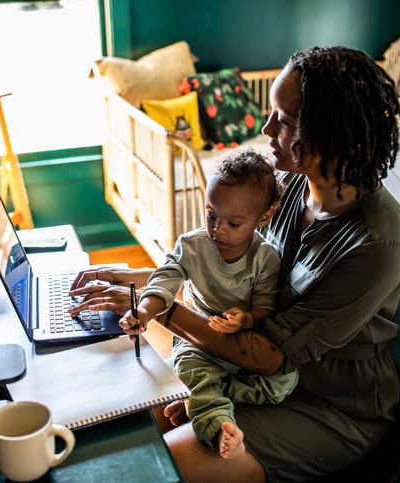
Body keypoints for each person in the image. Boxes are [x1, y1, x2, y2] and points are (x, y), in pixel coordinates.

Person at [69, 45, 400, 482]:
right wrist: (149, 282)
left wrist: (167, 310)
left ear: (334, 134)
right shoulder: (288, 188)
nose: (267, 128)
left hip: (330, 408)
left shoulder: (375, 244)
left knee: (154, 465)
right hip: (249, 375)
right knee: (119, 418)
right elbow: (241, 272)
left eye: (285, 122)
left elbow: (271, 355)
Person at [123, 147, 298, 460]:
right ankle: (219, 426)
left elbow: (265, 309)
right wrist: (146, 311)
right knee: (195, 370)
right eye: (211, 216)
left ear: (263, 218)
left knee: (284, 382)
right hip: (199, 342)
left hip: (242, 341)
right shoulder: (192, 246)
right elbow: (165, 278)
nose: (218, 230)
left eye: (233, 224)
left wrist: (245, 320)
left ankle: (198, 398)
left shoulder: (266, 258)